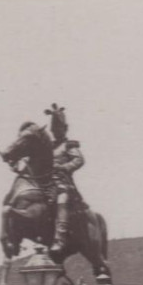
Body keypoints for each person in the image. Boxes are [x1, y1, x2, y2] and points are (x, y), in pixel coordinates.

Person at [46, 103, 85, 257]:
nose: (56, 132)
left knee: (62, 198)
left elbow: (79, 160)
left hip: (62, 182)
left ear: (65, 129)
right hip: (47, 183)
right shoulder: (47, 147)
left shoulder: (69, 146)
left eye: (59, 129)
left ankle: (60, 238)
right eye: (54, 130)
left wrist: (64, 167)